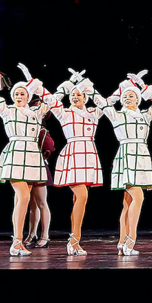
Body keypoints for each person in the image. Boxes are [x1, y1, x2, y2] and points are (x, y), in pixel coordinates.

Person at [0, 65, 49, 257]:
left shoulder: (36, 113)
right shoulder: (7, 110)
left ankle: (17, 242)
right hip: (16, 154)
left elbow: (52, 100)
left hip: (32, 157)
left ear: (29, 96)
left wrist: (33, 83)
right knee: (23, 197)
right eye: (17, 93)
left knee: (20, 201)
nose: (19, 96)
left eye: (23, 93)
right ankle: (16, 243)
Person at [101, 72, 152, 256]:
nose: (127, 98)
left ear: (138, 99)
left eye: (131, 95)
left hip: (142, 157)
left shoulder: (145, 115)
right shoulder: (117, 115)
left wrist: (143, 86)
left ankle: (122, 242)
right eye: (124, 96)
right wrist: (120, 88)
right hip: (126, 156)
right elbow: (103, 102)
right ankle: (130, 241)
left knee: (128, 203)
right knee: (138, 198)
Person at [45, 70, 105, 256]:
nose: (75, 97)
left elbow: (106, 103)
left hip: (89, 155)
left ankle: (74, 241)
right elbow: (50, 99)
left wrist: (87, 85)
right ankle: (74, 240)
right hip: (72, 155)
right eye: (72, 95)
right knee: (82, 195)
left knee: (78, 200)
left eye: (79, 94)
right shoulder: (64, 113)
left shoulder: (94, 113)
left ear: (85, 97)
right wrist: (70, 83)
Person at [23, 103, 55, 249]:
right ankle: (31, 234)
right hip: (27, 167)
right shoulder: (25, 129)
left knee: (42, 203)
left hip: (39, 168)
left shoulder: (41, 130)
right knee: (32, 205)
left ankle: (45, 236)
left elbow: (49, 147)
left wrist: (43, 153)